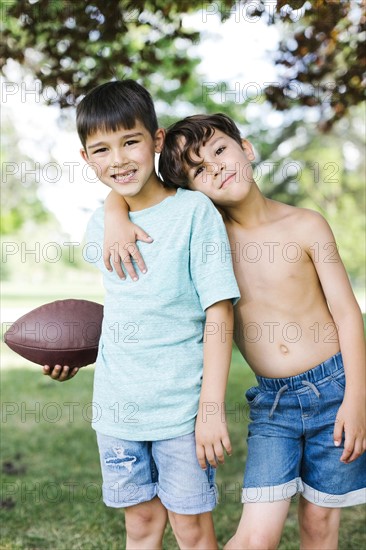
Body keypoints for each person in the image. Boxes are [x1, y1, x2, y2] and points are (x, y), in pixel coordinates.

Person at [103, 113, 366, 549]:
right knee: (256, 538)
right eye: (199, 169)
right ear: (191, 190)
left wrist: (357, 398)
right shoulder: (207, 237)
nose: (217, 168)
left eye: (221, 151)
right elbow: (137, 195)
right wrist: (114, 212)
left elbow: (347, 313)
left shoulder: (306, 225)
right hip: (273, 403)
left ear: (246, 148)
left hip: (336, 390)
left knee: (320, 524)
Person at [43, 85, 240, 550]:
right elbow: (126, 309)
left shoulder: (195, 213)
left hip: (181, 411)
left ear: (156, 139)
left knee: (192, 531)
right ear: (86, 158)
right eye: (101, 149)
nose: (118, 159)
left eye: (130, 141)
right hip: (117, 412)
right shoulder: (100, 224)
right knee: (141, 526)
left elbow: (219, 311)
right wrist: (74, 352)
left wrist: (210, 410)